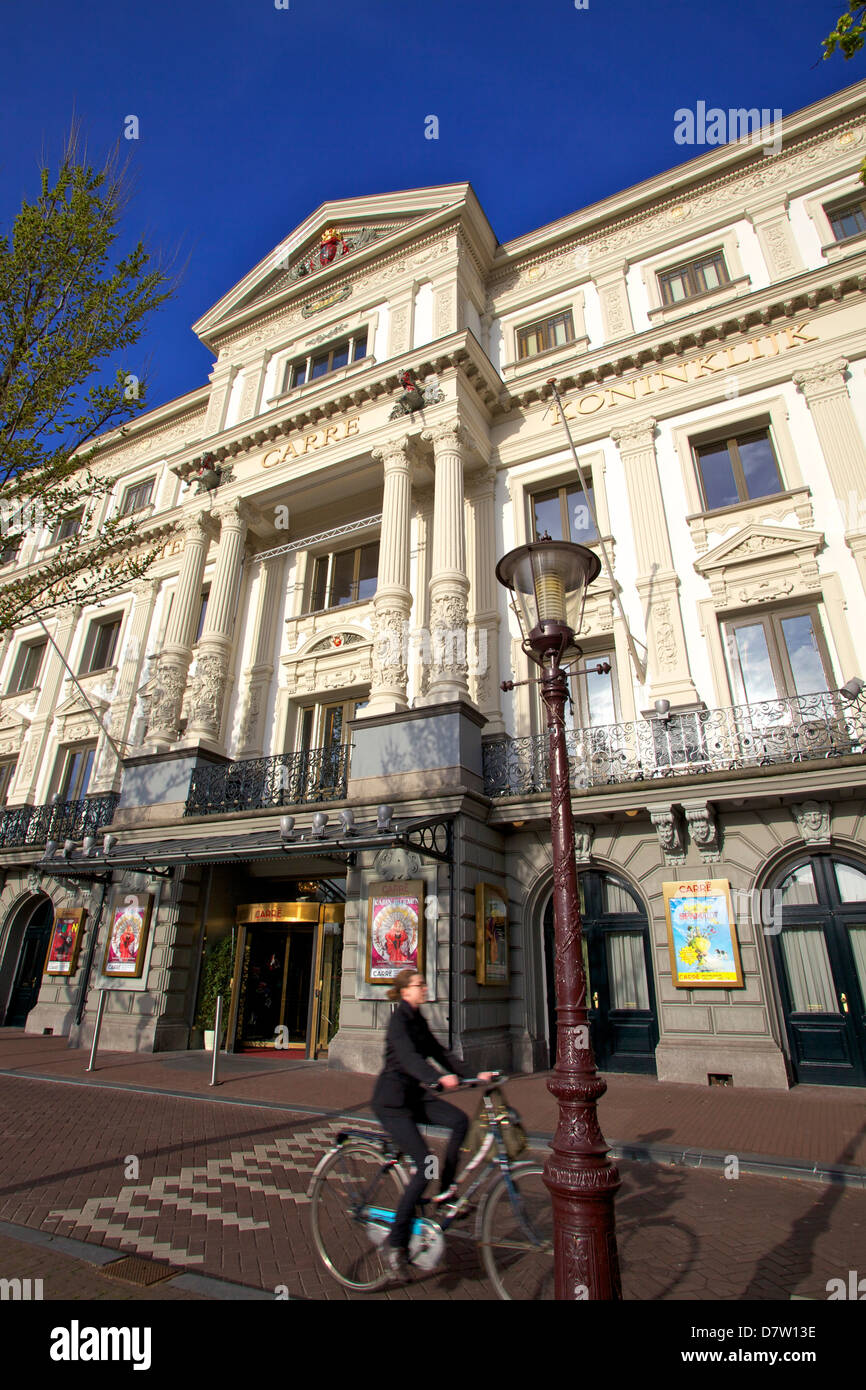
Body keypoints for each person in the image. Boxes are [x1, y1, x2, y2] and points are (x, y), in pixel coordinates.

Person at [371, 968, 493, 1279]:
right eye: (419, 984)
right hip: (393, 1101)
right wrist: (437, 1078)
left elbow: (440, 1052)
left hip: (415, 1095)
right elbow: (411, 1060)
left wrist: (472, 1074)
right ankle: (395, 1244)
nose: (424, 988)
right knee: (425, 1165)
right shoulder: (399, 1022)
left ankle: (447, 1193)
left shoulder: (418, 1019)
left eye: (424, 983)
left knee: (459, 1121)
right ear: (404, 991)